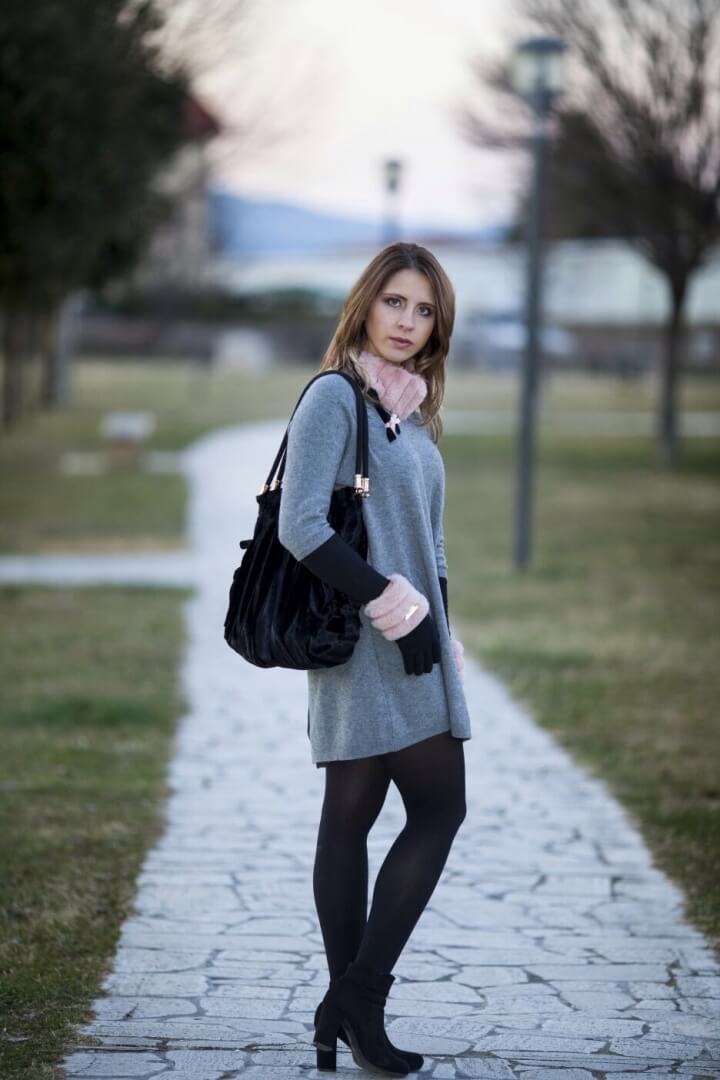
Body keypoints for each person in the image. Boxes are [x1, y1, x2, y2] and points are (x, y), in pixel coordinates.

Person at [277, 241, 472, 1076]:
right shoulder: (334, 397)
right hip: (363, 642)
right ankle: (359, 997)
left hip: (415, 646)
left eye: (424, 310)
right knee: (435, 808)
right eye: (395, 302)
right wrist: (399, 608)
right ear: (365, 303)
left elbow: (430, 544)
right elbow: (301, 526)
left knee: (359, 814)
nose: (407, 321)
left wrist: (439, 629)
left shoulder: (413, 413)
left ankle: (347, 1009)